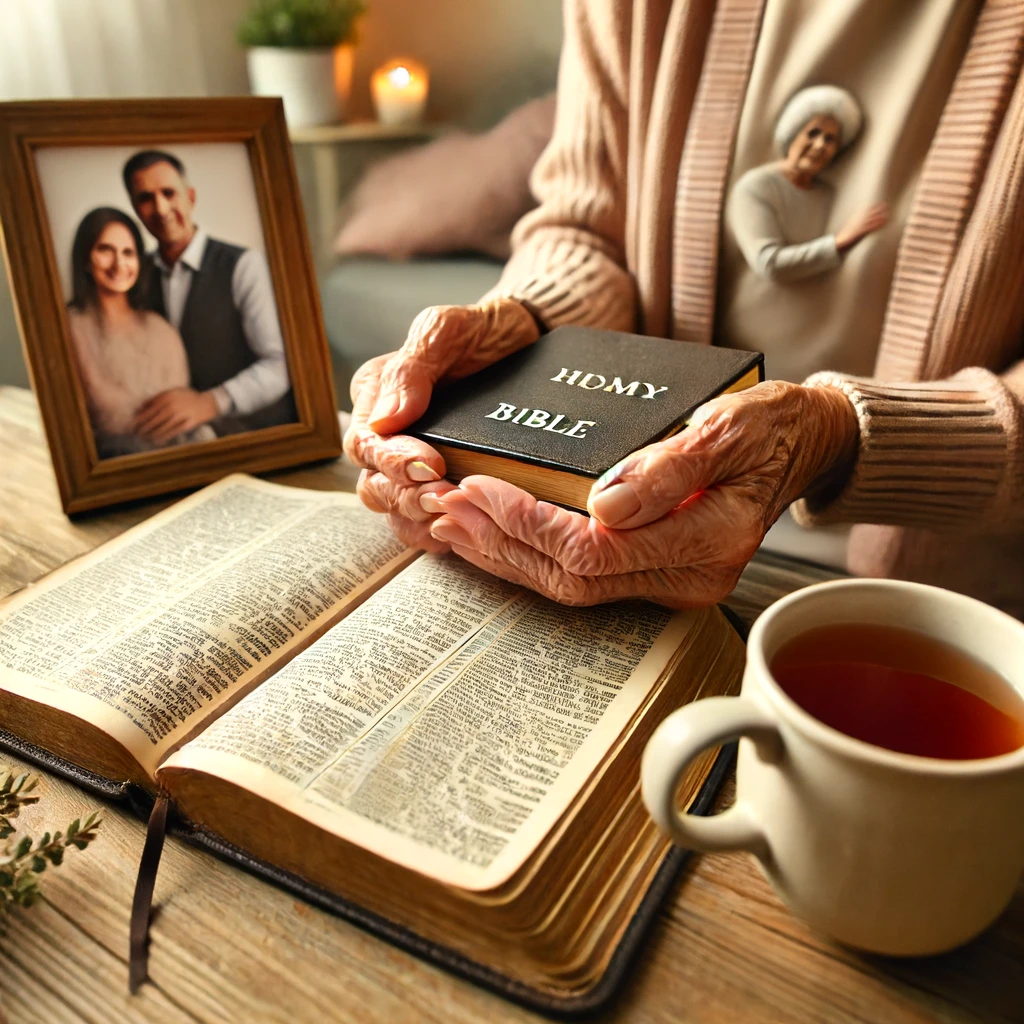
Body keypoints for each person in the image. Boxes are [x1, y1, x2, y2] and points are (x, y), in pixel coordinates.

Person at [344, 0, 1024, 619]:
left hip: (943, 597)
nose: (816, 149)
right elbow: (585, 228)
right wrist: (525, 319)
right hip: (624, 518)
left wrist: (836, 437)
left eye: (827, 141)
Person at [121, 149, 296, 440]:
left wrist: (211, 402)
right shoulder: (134, 274)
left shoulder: (243, 264)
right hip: (178, 442)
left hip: (256, 435)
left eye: (168, 193)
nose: (161, 209)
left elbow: (279, 365)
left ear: (190, 197)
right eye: (145, 198)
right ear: (135, 208)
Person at [66, 207, 215, 458]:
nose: (119, 264)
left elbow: (179, 415)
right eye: (105, 250)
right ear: (85, 257)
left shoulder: (160, 329)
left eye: (128, 252)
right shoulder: (69, 328)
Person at [727, 85, 888, 283]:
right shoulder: (754, 186)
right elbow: (769, 264)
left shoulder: (827, 195)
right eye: (813, 133)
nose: (820, 145)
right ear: (792, 133)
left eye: (830, 139)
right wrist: (839, 242)